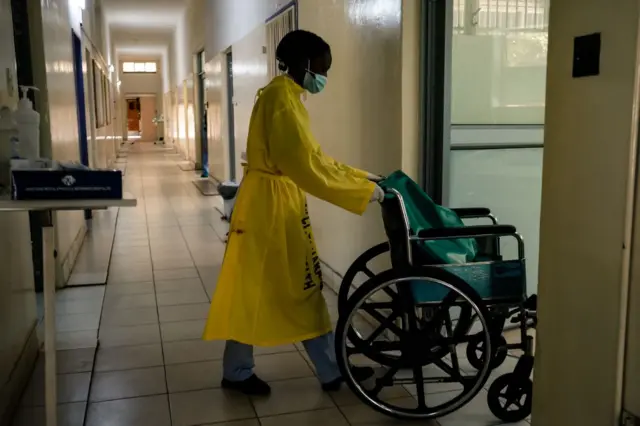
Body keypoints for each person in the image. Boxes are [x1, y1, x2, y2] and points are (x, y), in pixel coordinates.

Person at [202, 29, 385, 396]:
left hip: (276, 201)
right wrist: (363, 192)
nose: (325, 76)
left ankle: (331, 370)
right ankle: (239, 372)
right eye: (322, 67)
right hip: (267, 207)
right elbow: (305, 166)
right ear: (303, 63)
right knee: (255, 288)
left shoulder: (285, 96)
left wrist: (361, 176)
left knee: (304, 285)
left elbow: (313, 157)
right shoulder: (282, 101)